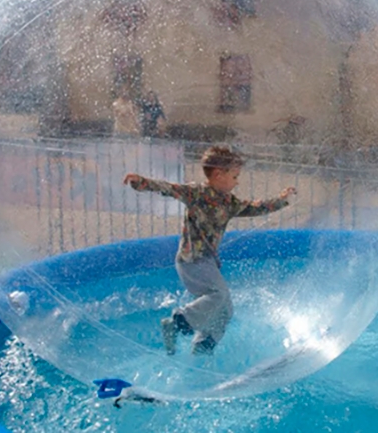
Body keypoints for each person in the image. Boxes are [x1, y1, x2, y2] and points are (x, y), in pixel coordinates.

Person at [123, 146, 296, 355]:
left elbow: (255, 207)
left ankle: (203, 345)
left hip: (207, 263)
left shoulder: (229, 202)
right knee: (219, 294)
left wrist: (281, 199)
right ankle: (178, 321)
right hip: (191, 261)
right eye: (234, 176)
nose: (237, 181)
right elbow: (169, 188)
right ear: (218, 174)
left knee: (225, 309)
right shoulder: (196, 193)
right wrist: (141, 182)